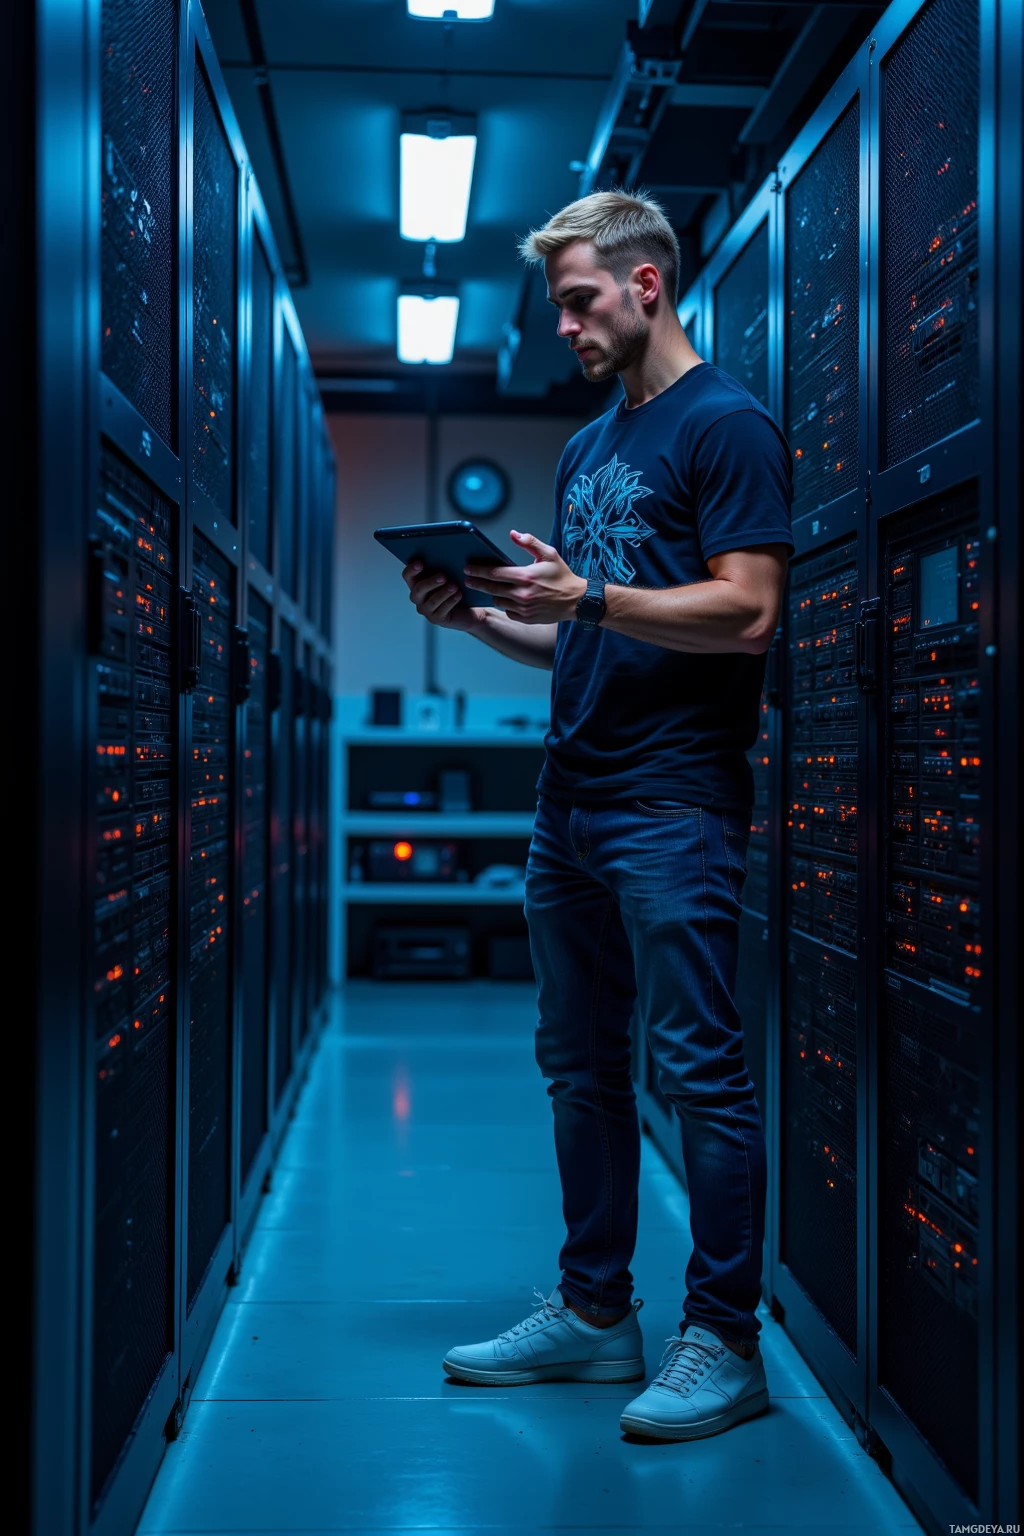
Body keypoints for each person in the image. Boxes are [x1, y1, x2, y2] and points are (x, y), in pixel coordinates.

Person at [400, 190, 793, 1441]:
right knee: (578, 1068)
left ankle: (724, 1343)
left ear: (646, 286)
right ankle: (593, 1311)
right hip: (569, 804)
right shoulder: (586, 450)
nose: (565, 323)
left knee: (696, 1073)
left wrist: (589, 597)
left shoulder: (726, 427)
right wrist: (482, 618)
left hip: (672, 802)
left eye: (578, 300)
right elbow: (583, 636)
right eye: (559, 303)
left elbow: (747, 612)